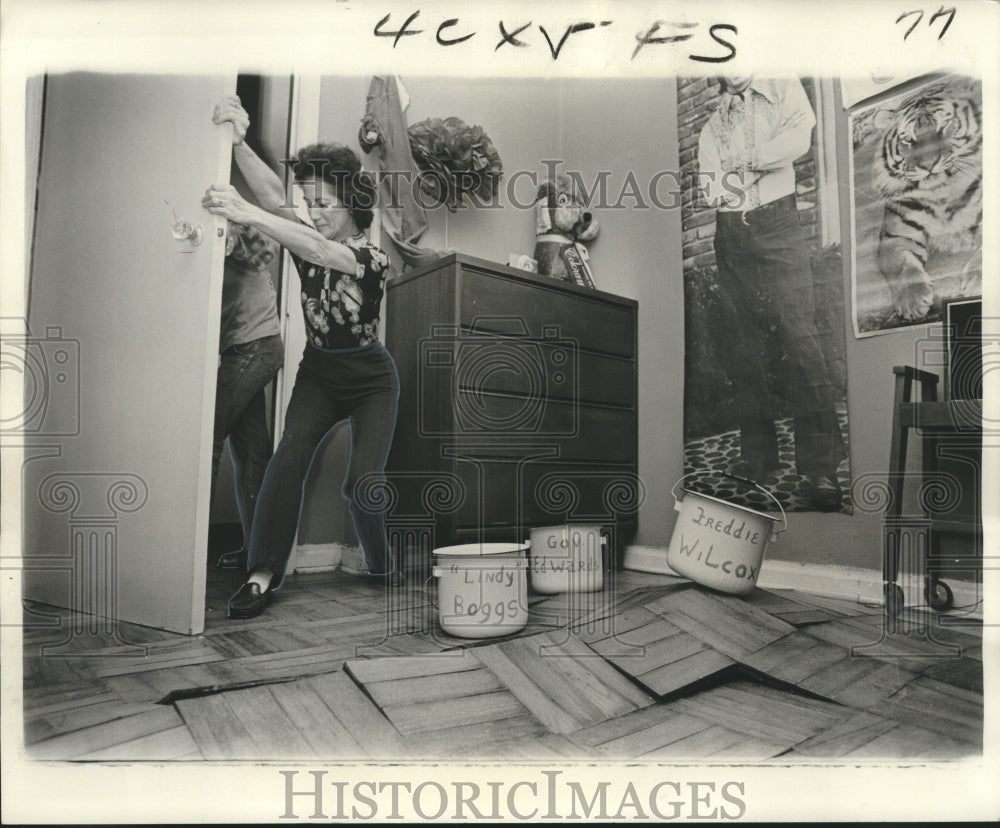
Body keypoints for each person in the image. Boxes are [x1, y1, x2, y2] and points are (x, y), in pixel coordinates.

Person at [204, 95, 400, 619]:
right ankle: (261, 574)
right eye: (309, 201)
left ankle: (382, 562)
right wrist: (240, 144)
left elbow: (318, 252)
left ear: (351, 203)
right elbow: (274, 198)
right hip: (319, 374)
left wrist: (246, 212)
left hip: (371, 378)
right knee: (286, 458)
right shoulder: (307, 229)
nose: (314, 211)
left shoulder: (371, 257)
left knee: (361, 483)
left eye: (324, 202)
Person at [697, 74, 846, 511]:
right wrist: (754, 167)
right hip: (732, 233)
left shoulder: (782, 90)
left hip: (779, 223)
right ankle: (757, 456)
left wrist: (748, 159)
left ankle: (819, 468)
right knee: (743, 347)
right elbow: (710, 188)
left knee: (801, 337)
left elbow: (799, 139)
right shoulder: (711, 126)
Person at [211, 222, 284, 572]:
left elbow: (248, 242)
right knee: (253, 457)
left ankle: (184, 545)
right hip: (252, 348)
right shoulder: (235, 250)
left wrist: (224, 230)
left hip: (253, 348)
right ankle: (259, 555)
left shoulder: (236, 240)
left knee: (207, 436)